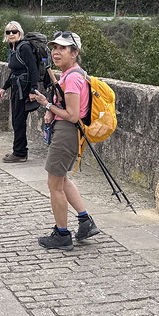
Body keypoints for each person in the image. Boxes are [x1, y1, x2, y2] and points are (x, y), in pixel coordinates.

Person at [30, 31, 100, 251]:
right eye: (54, 48)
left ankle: (62, 234)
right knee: (63, 180)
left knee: (54, 185)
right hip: (69, 132)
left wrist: (46, 105)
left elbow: (72, 115)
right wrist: (52, 110)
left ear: (75, 52)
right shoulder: (75, 74)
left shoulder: (71, 78)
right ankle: (84, 221)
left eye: (62, 48)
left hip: (67, 132)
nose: (56, 52)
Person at [0, 21, 37, 163]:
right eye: (8, 32)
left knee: (19, 120)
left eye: (14, 32)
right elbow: (13, 71)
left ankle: (20, 153)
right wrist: (4, 87)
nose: (11, 34)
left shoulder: (24, 47)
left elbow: (33, 69)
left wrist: (33, 90)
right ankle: (19, 150)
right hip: (16, 86)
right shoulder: (13, 47)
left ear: (20, 33)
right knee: (16, 120)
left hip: (23, 88)